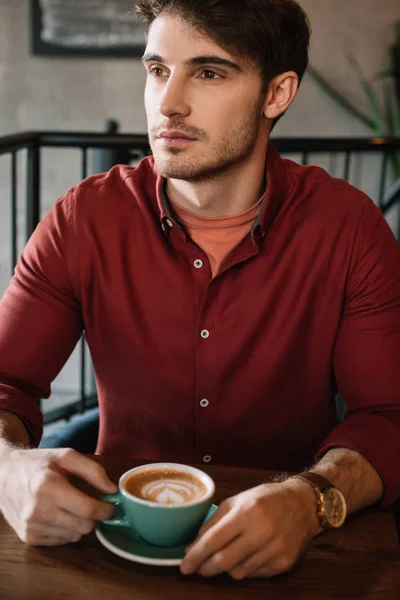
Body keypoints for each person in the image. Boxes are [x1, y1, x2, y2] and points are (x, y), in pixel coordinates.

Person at [0, 0, 399, 581]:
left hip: (288, 557)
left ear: (277, 94)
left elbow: (387, 416)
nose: (168, 102)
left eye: (208, 73)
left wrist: (312, 499)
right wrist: (8, 467)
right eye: (158, 69)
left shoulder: (350, 229)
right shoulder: (82, 220)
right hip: (112, 549)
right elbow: (5, 382)